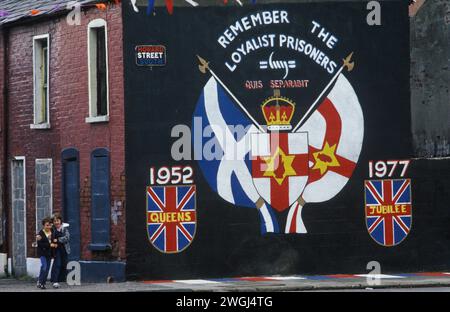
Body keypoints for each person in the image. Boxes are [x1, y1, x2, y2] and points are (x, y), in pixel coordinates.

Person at [50, 213, 70, 289]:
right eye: (54, 221)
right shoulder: (53, 230)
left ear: (60, 221)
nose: (56, 222)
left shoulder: (64, 229)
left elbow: (67, 238)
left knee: (63, 264)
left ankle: (60, 279)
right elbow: (51, 238)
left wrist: (58, 239)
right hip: (56, 249)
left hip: (64, 249)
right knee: (57, 264)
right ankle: (55, 281)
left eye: (57, 220)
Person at [36, 217, 57, 289]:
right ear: (43, 225)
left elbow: (54, 240)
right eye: (47, 225)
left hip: (49, 253)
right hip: (42, 253)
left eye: (50, 225)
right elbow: (40, 244)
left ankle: (40, 281)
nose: (48, 227)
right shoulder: (40, 234)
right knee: (44, 267)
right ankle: (42, 283)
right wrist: (49, 245)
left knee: (47, 268)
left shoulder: (53, 231)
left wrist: (55, 243)